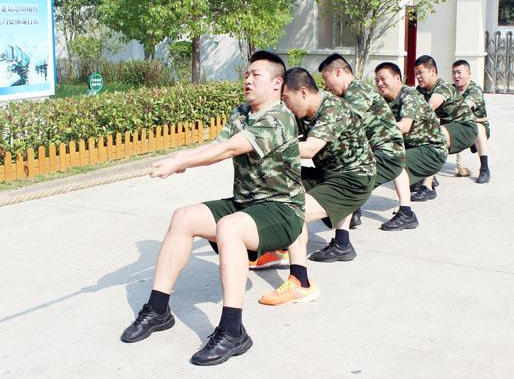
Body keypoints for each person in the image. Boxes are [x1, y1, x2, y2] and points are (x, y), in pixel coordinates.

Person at [120, 51, 305, 366]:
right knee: (184, 218)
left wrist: (183, 162)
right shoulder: (241, 112)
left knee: (229, 227)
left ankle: (233, 331)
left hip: (282, 210)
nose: (247, 80)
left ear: (277, 83)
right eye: (246, 74)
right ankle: (158, 309)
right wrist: (183, 159)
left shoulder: (279, 117)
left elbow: (230, 149)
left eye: (255, 75)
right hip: (246, 203)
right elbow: (217, 145)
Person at [260, 67, 376, 294]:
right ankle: (283, 247)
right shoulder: (302, 111)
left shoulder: (333, 109)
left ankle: (300, 282)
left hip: (354, 179)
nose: (285, 105)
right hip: (328, 173)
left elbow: (310, 148)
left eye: (286, 98)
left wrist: (266, 148)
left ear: (302, 92)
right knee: (276, 180)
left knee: (294, 210)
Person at [317, 54, 416, 230]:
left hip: (386, 153)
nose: (326, 85)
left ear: (338, 72)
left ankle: (343, 236)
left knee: (348, 180)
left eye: (326, 78)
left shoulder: (358, 90)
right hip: (381, 151)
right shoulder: (349, 92)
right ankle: (353, 215)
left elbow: (345, 120)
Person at [374, 61, 448, 225]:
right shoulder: (383, 101)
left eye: (383, 79)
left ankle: (406, 214)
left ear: (397, 78)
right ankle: (354, 208)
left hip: (432, 151)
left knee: (394, 161)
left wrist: (377, 134)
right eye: (377, 80)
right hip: (411, 148)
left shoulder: (409, 95)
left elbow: (405, 126)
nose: (379, 83)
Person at [414, 55, 477, 201]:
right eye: (416, 73)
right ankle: (427, 175)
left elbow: (429, 108)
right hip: (448, 127)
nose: (418, 77)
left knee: (434, 137)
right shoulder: (421, 90)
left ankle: (428, 187)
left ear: (432, 71)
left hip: (465, 128)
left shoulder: (442, 87)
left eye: (421, 72)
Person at [452, 59, 491, 183]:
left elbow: (466, 105)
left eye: (459, 72)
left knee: (478, 128)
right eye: (454, 73)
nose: (456, 76)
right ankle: (429, 174)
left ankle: (484, 169)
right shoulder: (450, 89)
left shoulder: (475, 89)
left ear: (469, 74)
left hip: (474, 127)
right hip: (457, 126)